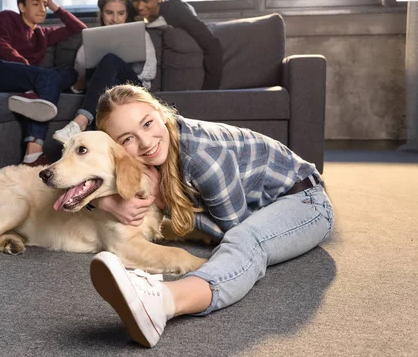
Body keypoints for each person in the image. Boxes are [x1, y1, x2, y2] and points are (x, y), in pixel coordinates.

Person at [88, 84, 335, 348]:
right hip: (265, 207)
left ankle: (162, 301)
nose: (146, 142)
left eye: (147, 123)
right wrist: (104, 202)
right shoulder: (159, 147)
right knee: (244, 236)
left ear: (161, 113)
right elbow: (81, 161)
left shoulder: (203, 157)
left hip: (306, 203)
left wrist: (164, 201)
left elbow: (232, 230)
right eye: (127, 139)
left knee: (246, 240)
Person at [0, 0, 86, 167]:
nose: (42, 8)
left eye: (45, 5)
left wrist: (55, 6)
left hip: (19, 78)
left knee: (69, 71)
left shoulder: (42, 35)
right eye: (36, 3)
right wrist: (32, 73)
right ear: (22, 7)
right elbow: (1, 45)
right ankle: (33, 153)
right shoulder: (6, 18)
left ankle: (31, 98)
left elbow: (79, 28)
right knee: (46, 78)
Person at [52, 0, 157, 144]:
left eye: (120, 13)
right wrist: (97, 76)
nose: (115, 19)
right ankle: (106, 147)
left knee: (110, 60)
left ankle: (79, 123)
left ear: (126, 14)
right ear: (101, 13)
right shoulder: (90, 41)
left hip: (134, 90)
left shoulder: (141, 35)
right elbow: (77, 85)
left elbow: (150, 72)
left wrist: (114, 68)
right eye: (109, 12)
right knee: (108, 88)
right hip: (104, 95)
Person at [129, 0, 224, 90]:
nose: (140, 6)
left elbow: (213, 45)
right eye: (136, 0)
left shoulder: (176, 11)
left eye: (146, 1)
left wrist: (210, 92)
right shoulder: (130, 8)